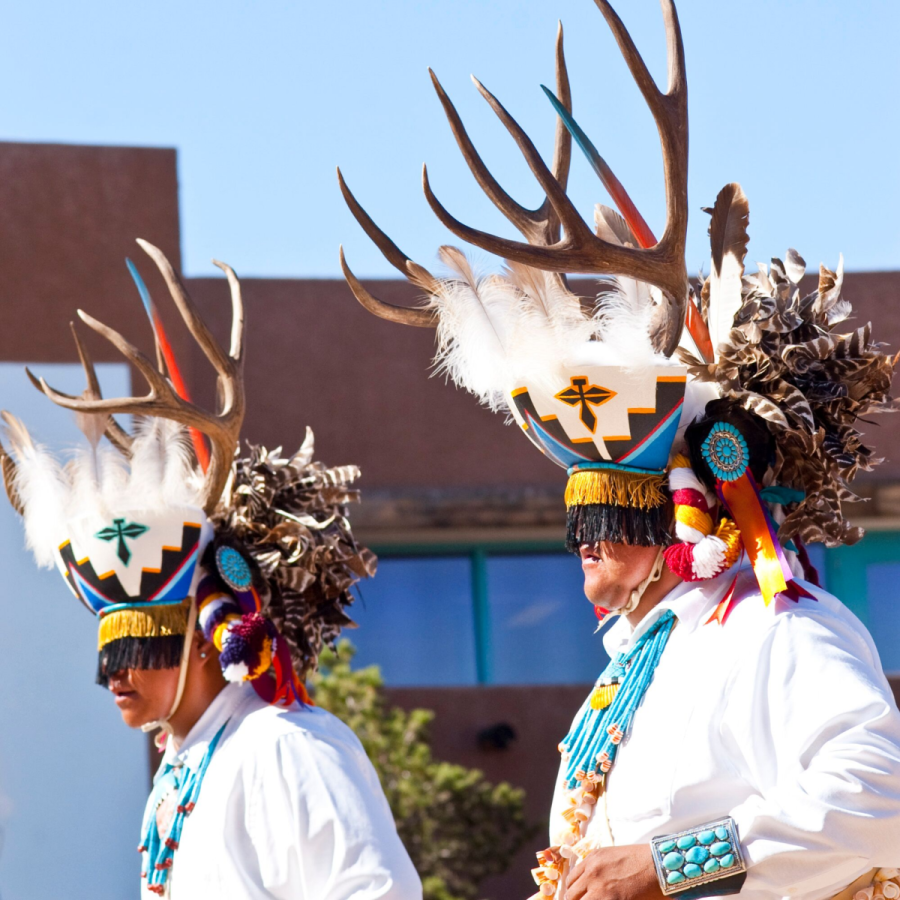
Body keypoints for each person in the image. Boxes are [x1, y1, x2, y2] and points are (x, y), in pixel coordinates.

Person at [333, 1, 900, 899]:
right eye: (579, 523)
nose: (588, 545)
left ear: (682, 505)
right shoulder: (642, 652)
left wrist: (668, 862)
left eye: (614, 517)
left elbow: (881, 799)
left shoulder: (774, 627)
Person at [0, 240, 422, 899]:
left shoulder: (282, 746)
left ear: (207, 636)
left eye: (134, 644)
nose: (114, 673)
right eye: (109, 649)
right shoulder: (188, 765)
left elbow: (377, 892)